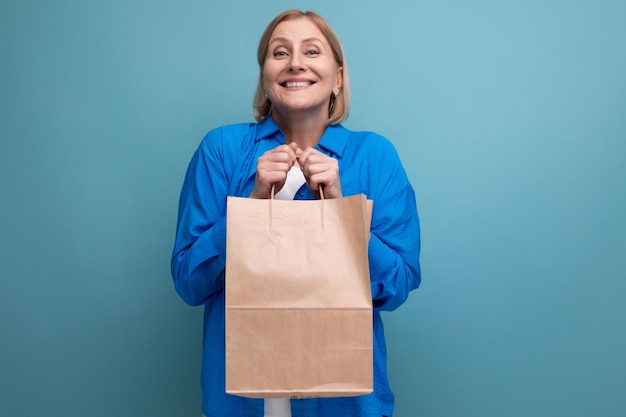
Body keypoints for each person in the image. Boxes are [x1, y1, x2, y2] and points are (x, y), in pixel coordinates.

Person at [171, 9, 421, 417]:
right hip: (240, 402)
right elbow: (188, 282)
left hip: (345, 404)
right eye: (280, 52)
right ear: (266, 78)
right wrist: (251, 207)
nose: (295, 63)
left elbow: (397, 286)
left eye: (312, 51)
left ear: (338, 77)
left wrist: (341, 212)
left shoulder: (375, 157)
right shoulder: (221, 150)